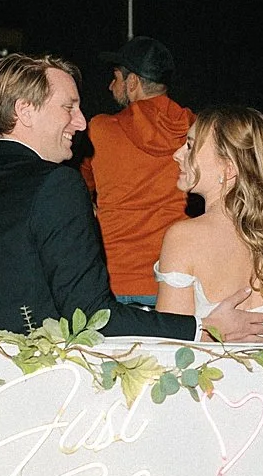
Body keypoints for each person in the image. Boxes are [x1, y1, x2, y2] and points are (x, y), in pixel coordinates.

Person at [0, 54, 263, 345]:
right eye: (68, 107)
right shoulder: (56, 183)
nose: (81, 122)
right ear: (25, 111)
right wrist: (202, 328)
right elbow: (91, 316)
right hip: (47, 379)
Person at [154, 105, 263, 336]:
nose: (177, 154)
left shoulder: (184, 237)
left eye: (190, 146)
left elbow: (170, 345)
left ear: (229, 167)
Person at [79, 35, 195, 305]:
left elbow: (79, 189)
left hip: (114, 281)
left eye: (116, 78)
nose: (111, 86)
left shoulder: (99, 130)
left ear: (132, 82)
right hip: (176, 280)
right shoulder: (194, 130)